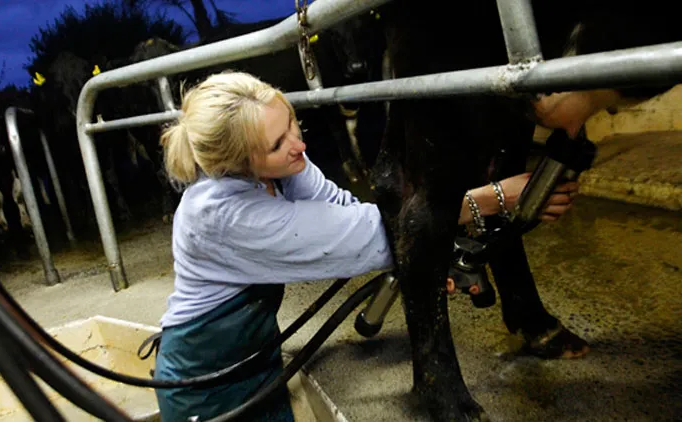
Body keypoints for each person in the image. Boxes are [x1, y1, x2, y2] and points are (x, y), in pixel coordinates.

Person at [154, 71, 578, 422]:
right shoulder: (222, 217)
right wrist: (492, 198)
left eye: (291, 124)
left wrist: (426, 256)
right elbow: (367, 236)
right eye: (277, 144)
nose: (298, 144)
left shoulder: (282, 167)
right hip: (205, 384)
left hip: (256, 359)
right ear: (237, 164)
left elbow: (346, 210)